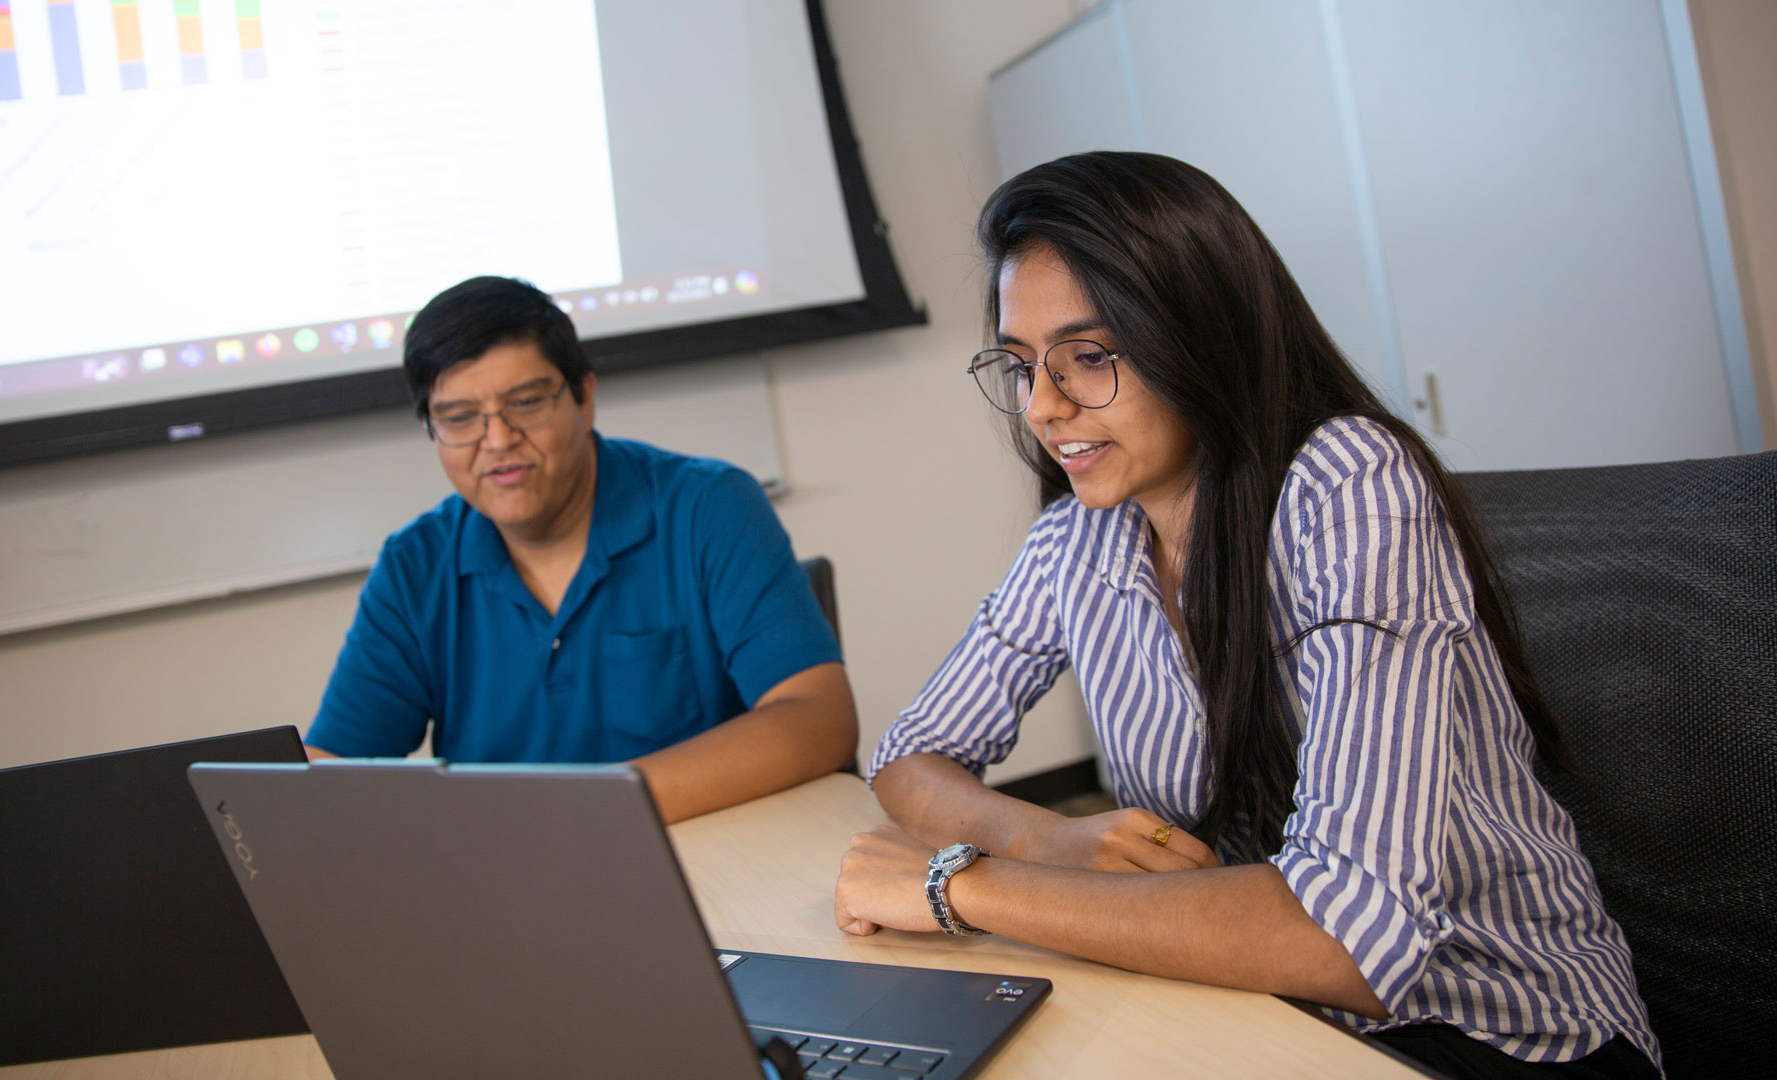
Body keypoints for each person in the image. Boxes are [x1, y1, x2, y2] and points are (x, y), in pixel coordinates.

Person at [834, 153, 1660, 1079]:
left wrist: (967, 885)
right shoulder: (1082, 539)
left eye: (1089, 358)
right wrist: (1047, 838)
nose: (1042, 408)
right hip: (1264, 1015)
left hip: (1492, 1032)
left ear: (1199, 336)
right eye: (1022, 367)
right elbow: (910, 756)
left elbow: (1342, 941)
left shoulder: (1348, 485)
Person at [306, 276, 856, 823]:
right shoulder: (413, 567)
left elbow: (817, 719)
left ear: (584, 397)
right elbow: (330, 772)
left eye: (525, 403)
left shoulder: (709, 507)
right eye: (459, 418)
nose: (497, 441)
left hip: (712, 856)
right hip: (510, 881)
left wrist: (584, 812)